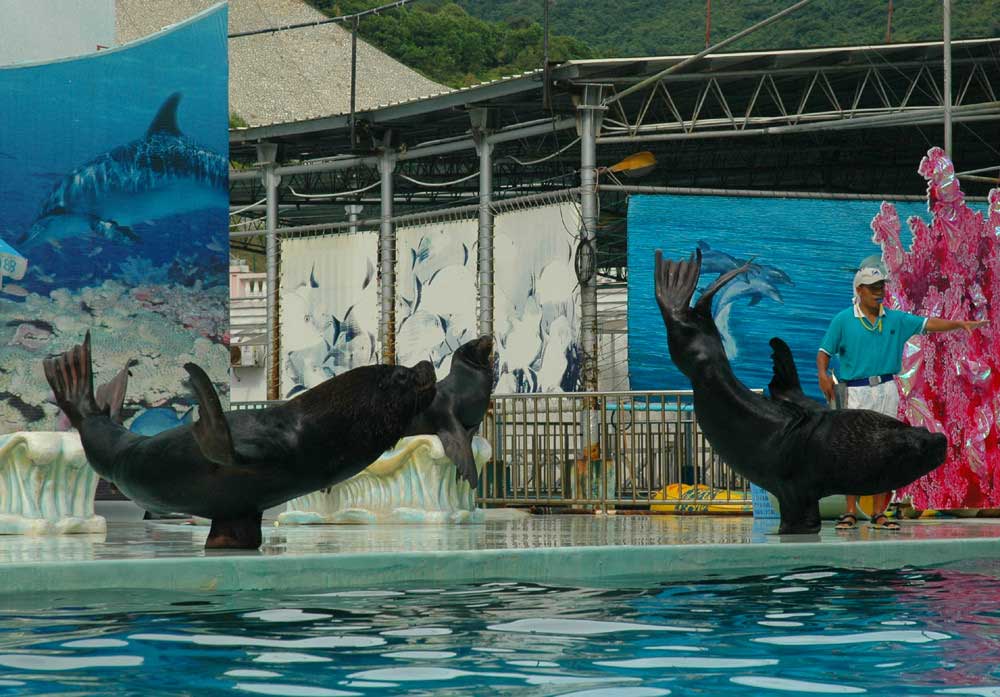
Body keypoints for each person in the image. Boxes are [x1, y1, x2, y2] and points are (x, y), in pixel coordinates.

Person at [816, 263, 987, 530]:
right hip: (857, 390)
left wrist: (958, 323)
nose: (879, 292)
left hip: (886, 388)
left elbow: (927, 324)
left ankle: (879, 512)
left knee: (884, 451)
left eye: (881, 286)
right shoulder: (843, 320)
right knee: (854, 451)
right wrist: (823, 375)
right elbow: (824, 352)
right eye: (873, 288)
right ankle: (849, 511)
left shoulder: (895, 319)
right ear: (859, 290)